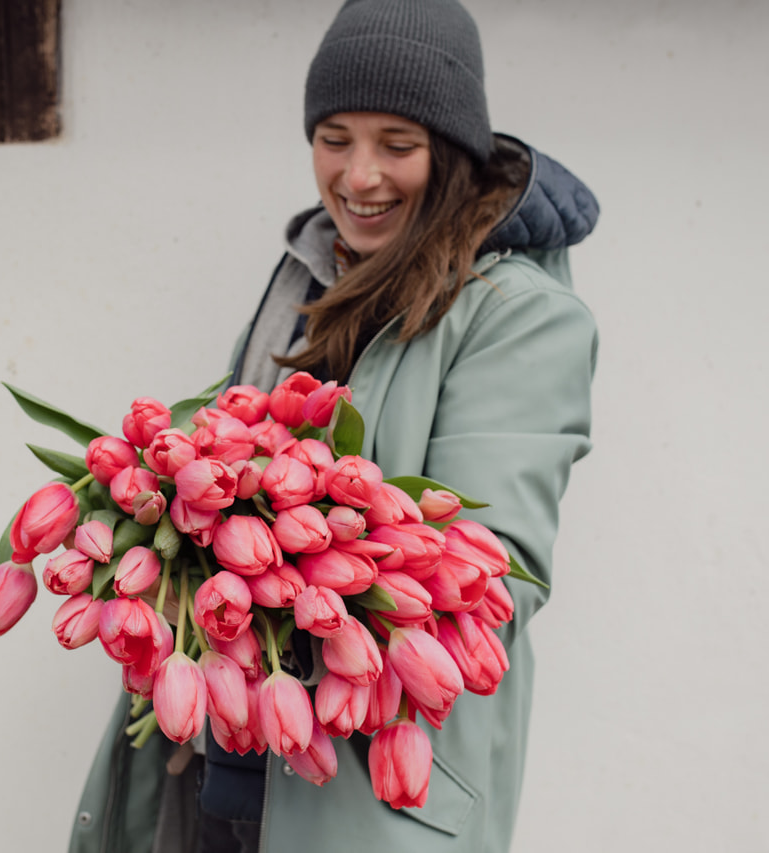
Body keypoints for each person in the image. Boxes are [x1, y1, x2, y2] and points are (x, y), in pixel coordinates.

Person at [69, 1, 599, 851]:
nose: (359, 177)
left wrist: (276, 555)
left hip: (365, 803)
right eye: (334, 137)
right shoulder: (311, 268)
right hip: (225, 770)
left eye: (398, 144)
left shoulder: (519, 317)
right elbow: (236, 454)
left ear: (453, 151)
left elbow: (500, 583)